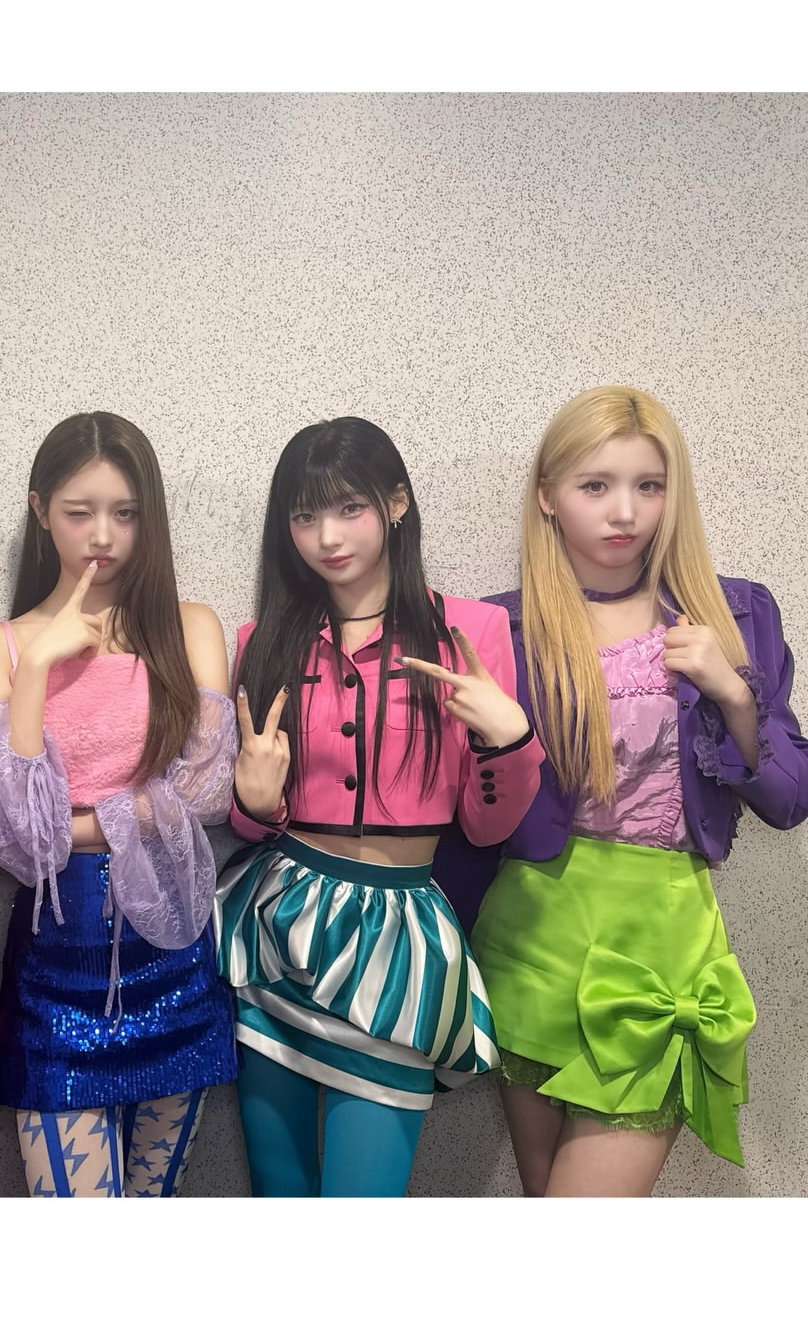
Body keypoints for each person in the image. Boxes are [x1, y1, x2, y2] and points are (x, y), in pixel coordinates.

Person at [435, 386, 808, 1195]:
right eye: (596, 485)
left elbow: (789, 800)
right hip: (531, 934)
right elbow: (469, 812)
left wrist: (733, 692)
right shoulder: (500, 629)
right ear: (548, 495)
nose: (626, 512)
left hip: (661, 943)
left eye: (649, 485)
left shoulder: (733, 613)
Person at [216, 417, 544, 1197]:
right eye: (304, 516)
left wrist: (508, 739)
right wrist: (253, 805)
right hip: (277, 923)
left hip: (399, 935)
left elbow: (487, 826)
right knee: (279, 1191)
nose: (327, 537)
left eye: (349, 508)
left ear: (396, 502)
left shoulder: (470, 630)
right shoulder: (264, 639)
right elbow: (255, 814)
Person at [0, 411, 238, 1197]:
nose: (103, 536)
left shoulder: (190, 627)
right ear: (39, 510)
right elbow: (20, 840)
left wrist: (78, 826)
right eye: (79, 512)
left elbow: (205, 792)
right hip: (55, 953)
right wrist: (36, 669)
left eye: (125, 513)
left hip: (175, 948)